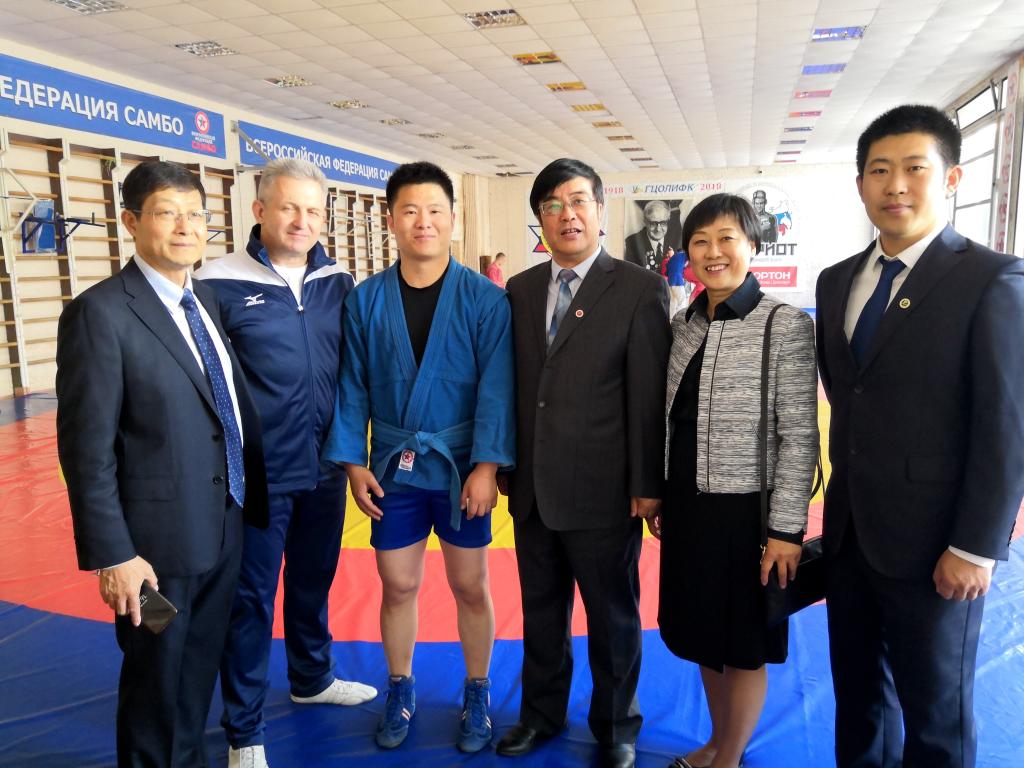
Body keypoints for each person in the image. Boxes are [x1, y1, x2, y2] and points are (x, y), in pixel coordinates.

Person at [816, 104, 1024, 767]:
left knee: (935, 716)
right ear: (860, 184)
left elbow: (1006, 427)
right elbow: (848, 394)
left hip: (937, 546)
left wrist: (975, 545)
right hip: (850, 538)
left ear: (953, 178)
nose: (896, 186)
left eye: (915, 168)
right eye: (880, 171)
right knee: (859, 702)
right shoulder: (836, 281)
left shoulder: (991, 279)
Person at [55, 160, 269, 767]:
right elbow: (86, 449)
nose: (185, 227)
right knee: (156, 679)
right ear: (131, 221)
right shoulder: (102, 314)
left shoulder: (204, 304)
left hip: (221, 527)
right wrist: (115, 555)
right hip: (152, 554)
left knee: (196, 672)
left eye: (195, 214)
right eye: (167, 213)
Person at [321, 161, 515, 753]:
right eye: (410, 211)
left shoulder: (485, 299)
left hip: (461, 470)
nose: (422, 222)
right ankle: (400, 686)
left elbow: (497, 388)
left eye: (434, 210)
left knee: (470, 585)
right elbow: (351, 384)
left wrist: (487, 466)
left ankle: (477, 691)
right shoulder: (366, 300)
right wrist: (353, 463)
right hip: (393, 469)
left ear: (454, 218)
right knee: (398, 583)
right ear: (390, 220)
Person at [194, 158, 376, 768]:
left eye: (313, 210)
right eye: (290, 207)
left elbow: (355, 373)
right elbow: (203, 383)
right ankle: (244, 730)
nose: (303, 221)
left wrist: (352, 456)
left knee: (312, 580)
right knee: (250, 599)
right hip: (256, 477)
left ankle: (312, 676)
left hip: (324, 468)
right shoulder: (217, 281)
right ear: (260, 210)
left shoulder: (338, 281)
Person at [498, 158, 671, 768]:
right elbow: (512, 387)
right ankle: (540, 715)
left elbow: (647, 394)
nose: (566, 215)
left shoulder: (639, 288)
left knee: (612, 618)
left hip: (605, 490)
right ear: (540, 219)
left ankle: (617, 725)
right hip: (532, 490)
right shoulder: (520, 290)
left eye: (577, 202)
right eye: (552, 205)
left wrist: (648, 484)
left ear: (600, 210)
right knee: (541, 615)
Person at [655, 194, 819, 768]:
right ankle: (717, 742)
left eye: (727, 238)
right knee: (705, 636)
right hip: (688, 509)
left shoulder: (785, 325)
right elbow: (672, 419)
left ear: (753, 245)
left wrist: (786, 531)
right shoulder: (683, 324)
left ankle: (729, 757)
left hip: (748, 515)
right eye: (700, 241)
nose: (714, 252)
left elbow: (800, 436)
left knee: (743, 646)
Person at [624, 199, 673, 270]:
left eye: (663, 223)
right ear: (645, 221)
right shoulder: (631, 243)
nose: (658, 229)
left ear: (668, 220)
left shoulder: (676, 239)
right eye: (653, 223)